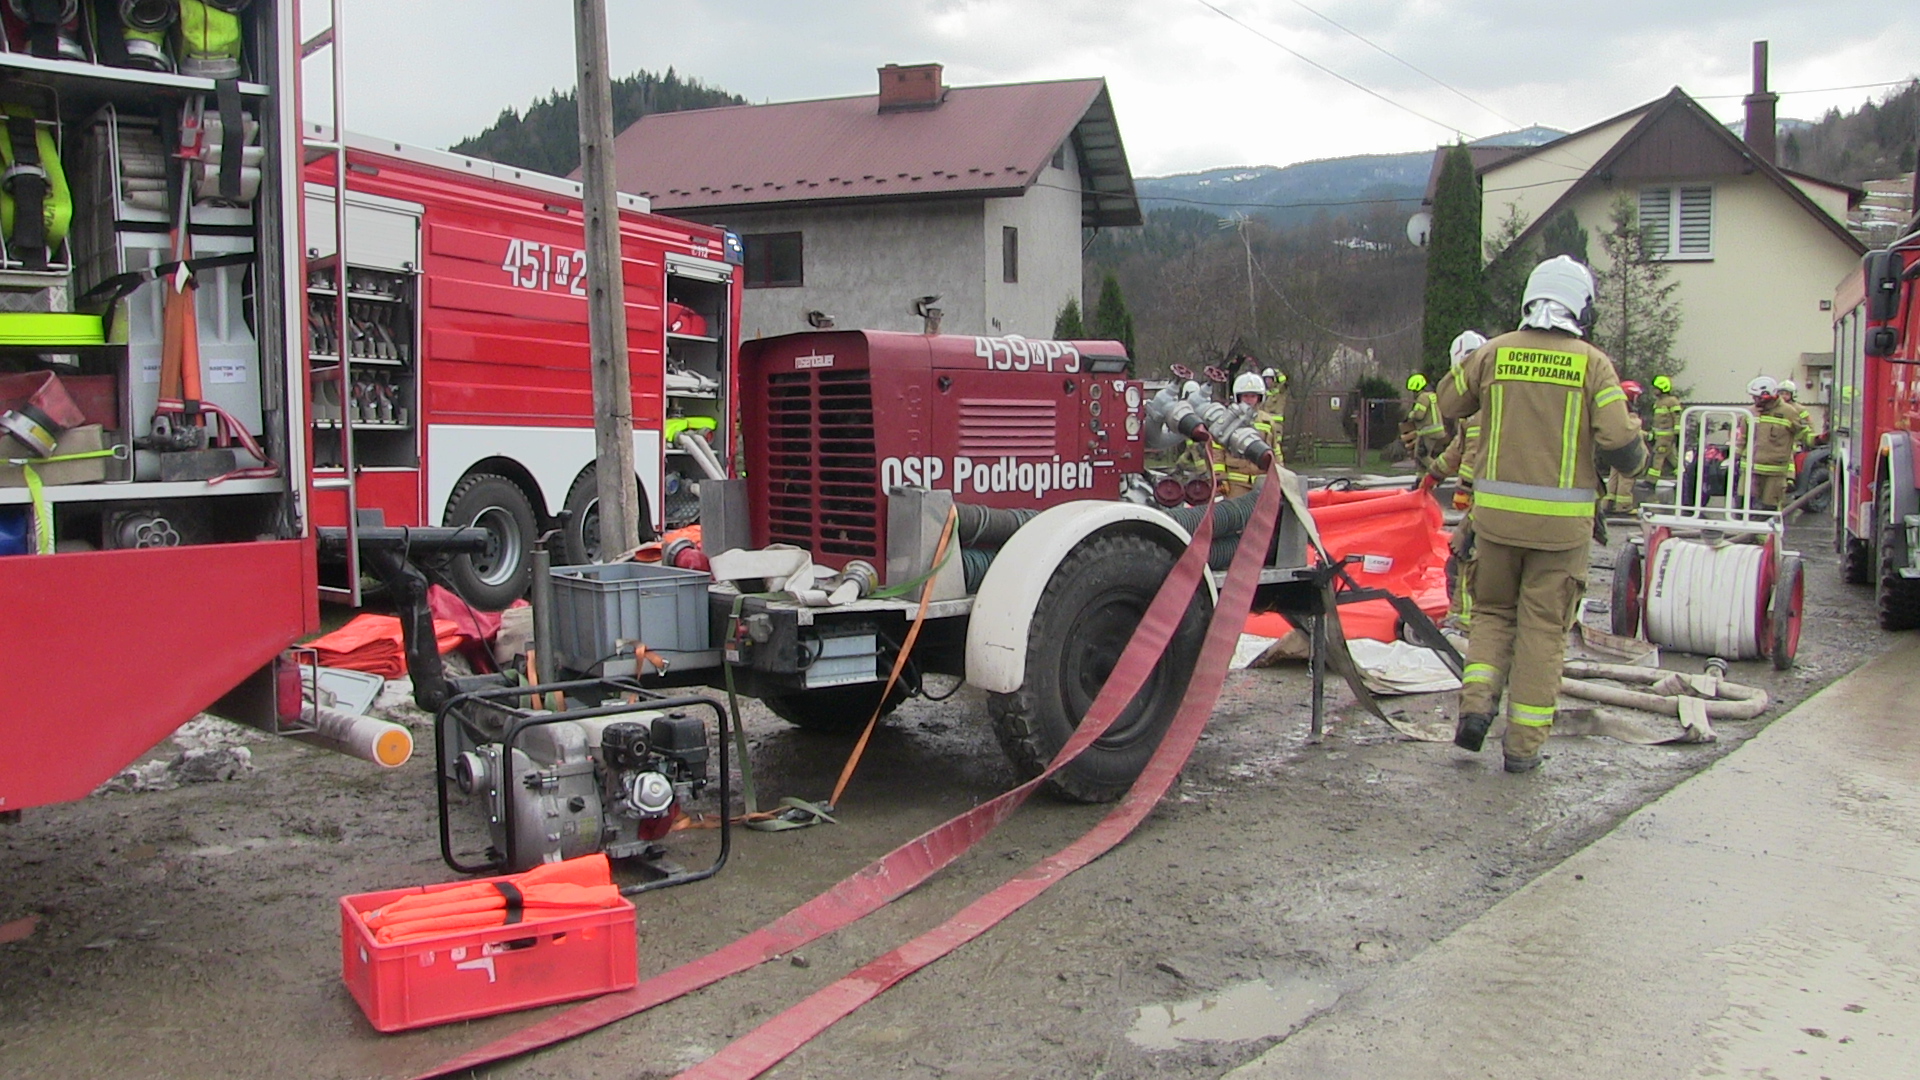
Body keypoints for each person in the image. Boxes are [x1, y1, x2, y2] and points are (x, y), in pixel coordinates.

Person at [1437, 255, 1646, 773]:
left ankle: (1475, 711)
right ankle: (1522, 747)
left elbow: (1449, 401)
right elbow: (1619, 442)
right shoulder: (1592, 363)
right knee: (1543, 631)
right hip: (1560, 532)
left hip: (1495, 524)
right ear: (1581, 306)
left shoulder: (1494, 353)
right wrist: (1636, 459)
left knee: (1491, 615)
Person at [1427, 330, 1488, 632]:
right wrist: (1435, 473)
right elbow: (1458, 448)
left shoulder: (1479, 408)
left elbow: (1473, 452)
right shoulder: (1478, 403)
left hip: (1487, 495)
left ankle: (1464, 619)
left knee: (1466, 551)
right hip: (1491, 492)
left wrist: (1464, 487)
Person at [1742, 375, 1801, 511]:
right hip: (1750, 469)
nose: (1754, 400)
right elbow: (1742, 438)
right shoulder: (1750, 412)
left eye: (1757, 397)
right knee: (1743, 506)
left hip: (1774, 472)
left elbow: (1803, 434)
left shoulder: (1789, 412)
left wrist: (1818, 440)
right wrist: (1735, 456)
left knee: (1769, 509)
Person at [1213, 371, 1276, 497]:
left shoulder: (1267, 421)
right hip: (1236, 483)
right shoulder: (1228, 419)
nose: (1249, 400)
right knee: (1237, 510)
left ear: (1259, 397)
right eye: (1245, 396)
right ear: (1238, 397)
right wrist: (1220, 477)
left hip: (1262, 481)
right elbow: (1218, 450)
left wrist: (1280, 475)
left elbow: (1275, 451)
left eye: (1253, 396)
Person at [1603, 380, 1646, 515]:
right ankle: (1624, 506)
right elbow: (1632, 429)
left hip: (1616, 446)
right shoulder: (1629, 411)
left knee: (1614, 476)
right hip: (1627, 447)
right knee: (1626, 477)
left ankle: (1608, 503)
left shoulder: (1617, 407)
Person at [1400, 372, 1445, 467]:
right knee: (1420, 458)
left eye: (1413, 391)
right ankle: (1422, 475)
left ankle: (1438, 471)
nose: (1413, 393)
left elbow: (1419, 415)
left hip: (1428, 431)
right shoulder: (1432, 395)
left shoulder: (1423, 397)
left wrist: (1411, 415)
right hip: (1437, 429)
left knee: (1422, 455)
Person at [1646, 375, 1683, 485]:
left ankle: (1651, 482)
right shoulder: (1658, 403)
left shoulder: (1672, 401)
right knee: (1673, 459)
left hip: (1666, 436)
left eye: (1656, 388)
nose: (1654, 391)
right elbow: (1656, 421)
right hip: (1659, 436)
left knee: (1658, 457)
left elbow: (1677, 417)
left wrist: (1677, 433)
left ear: (1663, 388)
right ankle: (1684, 479)